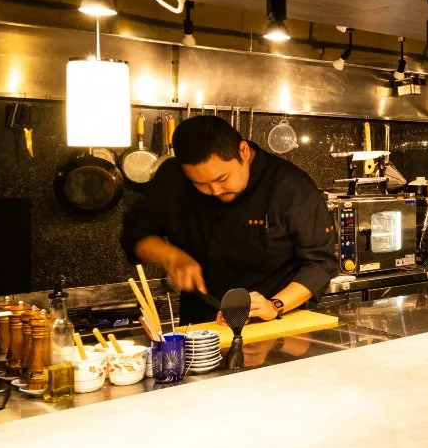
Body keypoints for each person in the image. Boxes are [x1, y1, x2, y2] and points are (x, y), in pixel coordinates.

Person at [120, 115, 340, 326]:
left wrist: (275, 305)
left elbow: (321, 263)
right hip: (202, 323)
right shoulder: (172, 178)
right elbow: (135, 233)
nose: (215, 191)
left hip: (272, 321)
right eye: (200, 184)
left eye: (222, 178)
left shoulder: (290, 186)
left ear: (243, 151)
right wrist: (171, 257)